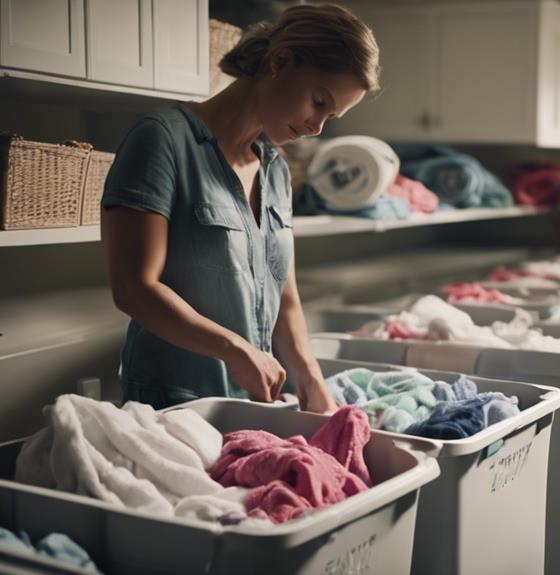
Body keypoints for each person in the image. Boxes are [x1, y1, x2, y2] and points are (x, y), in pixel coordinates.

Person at [100, 4, 379, 413]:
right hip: (174, 409)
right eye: (319, 101)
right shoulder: (162, 140)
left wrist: (310, 378)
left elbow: (286, 300)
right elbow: (134, 289)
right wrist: (234, 349)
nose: (317, 127)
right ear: (279, 62)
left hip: (250, 409)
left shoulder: (276, 171)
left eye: (332, 115)